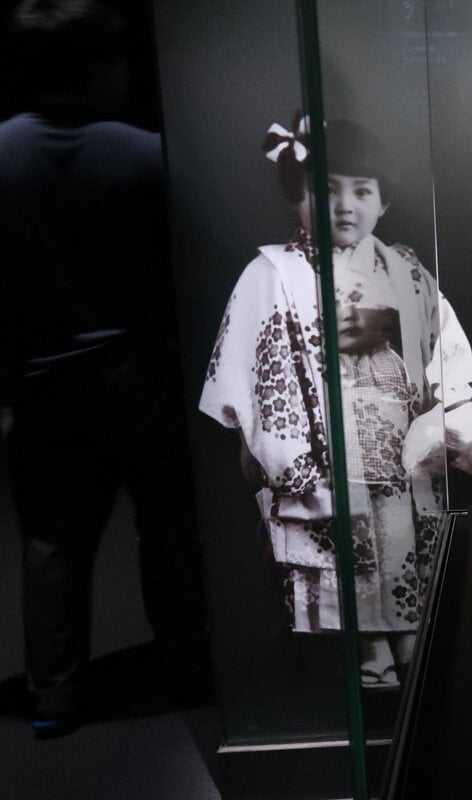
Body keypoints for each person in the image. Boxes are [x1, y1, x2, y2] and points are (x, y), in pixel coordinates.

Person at [199, 116, 472, 687]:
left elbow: (442, 345)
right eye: (325, 190)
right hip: (319, 442)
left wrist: (443, 411)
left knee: (402, 540)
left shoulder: (405, 269)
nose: (345, 205)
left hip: (395, 440)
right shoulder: (271, 273)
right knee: (342, 547)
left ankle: (408, 637)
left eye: (361, 190)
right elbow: (252, 368)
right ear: (296, 196)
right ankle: (366, 647)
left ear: (383, 200)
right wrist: (269, 447)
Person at [0, 0, 210, 738]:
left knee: (54, 543)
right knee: (172, 530)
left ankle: (54, 697)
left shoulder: (3, 154)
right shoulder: (146, 154)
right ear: (97, 67)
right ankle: (190, 669)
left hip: (44, 386)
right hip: (145, 376)